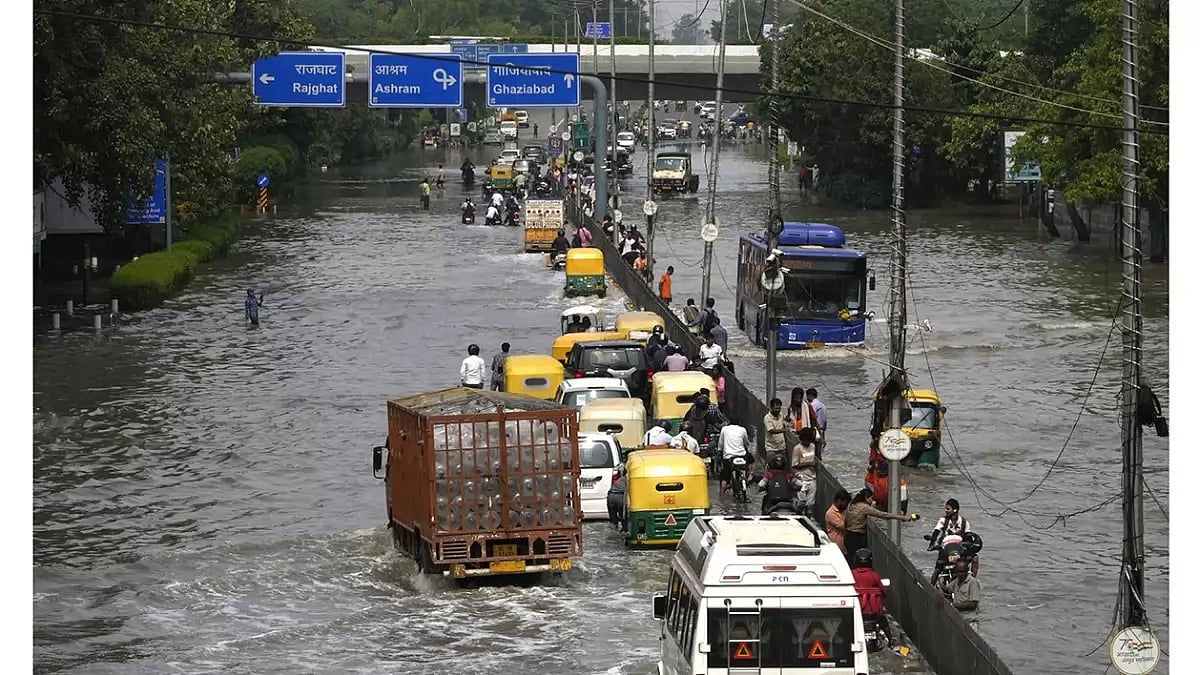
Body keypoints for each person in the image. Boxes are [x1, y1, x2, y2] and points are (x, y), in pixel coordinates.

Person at [843, 488, 914, 558]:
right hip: (857, 538)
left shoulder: (852, 504)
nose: (872, 500)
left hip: (848, 535)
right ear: (866, 498)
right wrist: (902, 517)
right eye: (871, 498)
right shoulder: (864, 507)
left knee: (852, 558)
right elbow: (883, 515)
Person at [851, 548, 898, 649]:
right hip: (875, 613)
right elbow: (883, 591)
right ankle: (891, 641)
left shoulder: (852, 574)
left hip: (857, 611)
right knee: (884, 623)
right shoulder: (874, 575)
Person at [717, 421, 753, 497]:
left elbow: (720, 443)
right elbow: (746, 443)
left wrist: (720, 450)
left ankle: (721, 497)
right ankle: (746, 479)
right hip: (741, 455)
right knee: (750, 463)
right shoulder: (743, 429)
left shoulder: (724, 429)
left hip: (728, 456)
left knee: (725, 478)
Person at [790, 427, 818, 511]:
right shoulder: (797, 449)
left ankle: (808, 517)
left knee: (810, 503)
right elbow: (794, 465)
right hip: (802, 479)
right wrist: (809, 464)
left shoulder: (813, 446)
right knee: (801, 503)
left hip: (812, 478)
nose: (808, 442)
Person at [825, 489, 852, 554]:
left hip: (843, 546)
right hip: (836, 546)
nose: (846, 505)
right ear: (839, 500)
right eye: (845, 503)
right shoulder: (831, 513)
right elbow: (843, 527)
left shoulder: (842, 511)